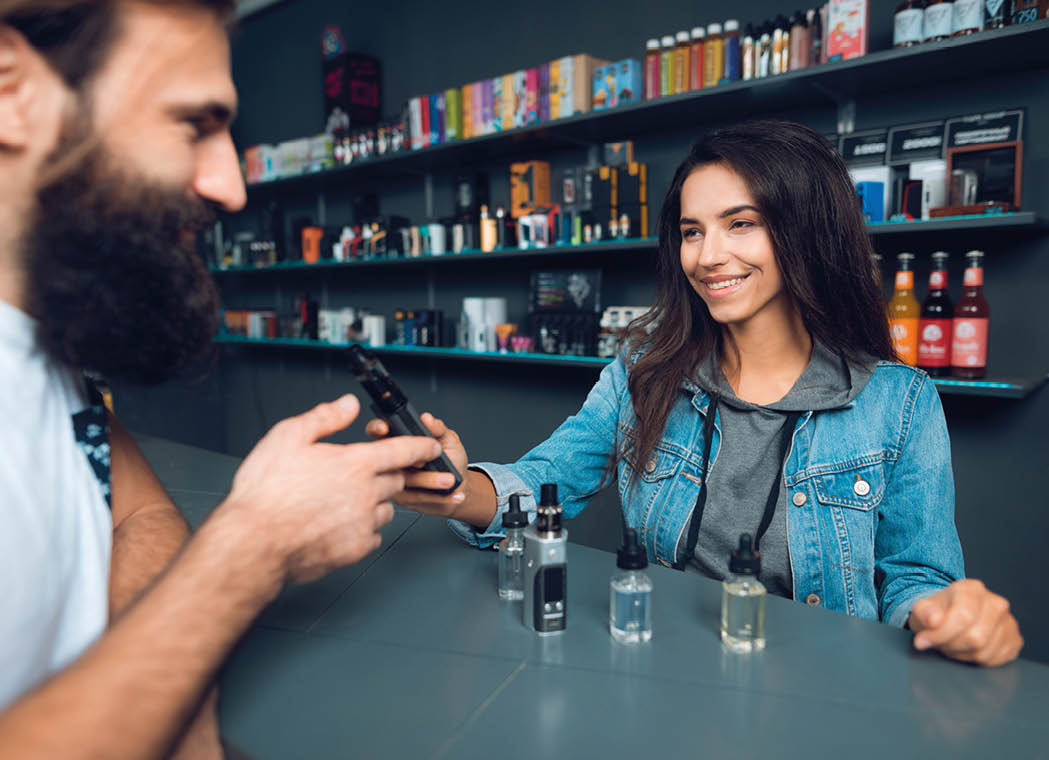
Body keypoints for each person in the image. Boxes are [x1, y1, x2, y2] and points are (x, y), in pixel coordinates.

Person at [369, 120, 1024, 668]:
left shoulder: (899, 403)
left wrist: (949, 615)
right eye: (690, 230)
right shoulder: (639, 372)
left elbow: (916, 580)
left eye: (740, 224)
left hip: (824, 691)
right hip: (658, 671)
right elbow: (544, 483)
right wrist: (454, 489)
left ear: (805, 229)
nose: (708, 255)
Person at [0, 0, 442, 757]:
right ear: (11, 90)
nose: (230, 186)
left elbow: (136, 517)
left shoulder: (46, 354)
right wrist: (254, 545)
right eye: (192, 124)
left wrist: (172, 707)